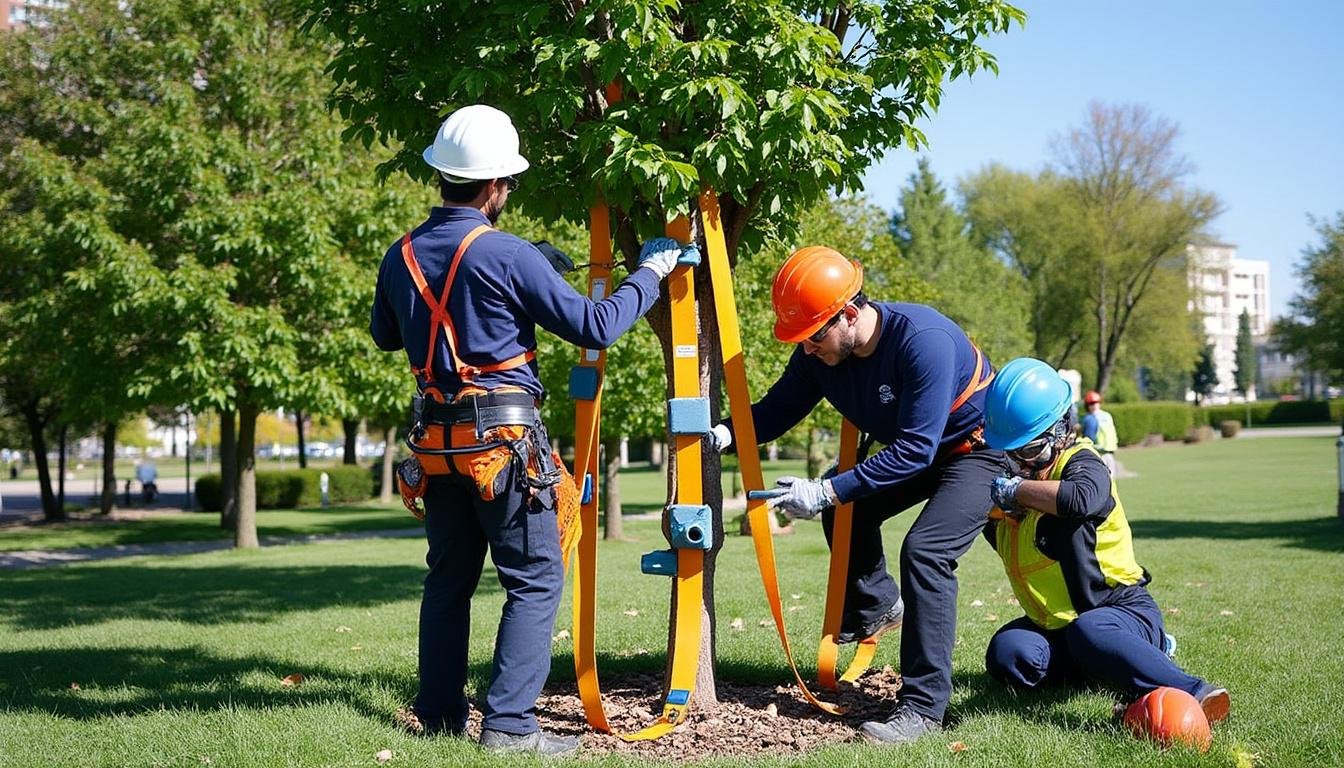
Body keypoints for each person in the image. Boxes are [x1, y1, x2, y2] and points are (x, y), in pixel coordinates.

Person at [369, 104, 683, 755]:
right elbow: (595, 326)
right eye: (508, 183)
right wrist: (648, 274)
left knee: (449, 579)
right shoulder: (506, 252)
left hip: (438, 445)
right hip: (504, 445)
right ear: (493, 186)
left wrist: (509, 281)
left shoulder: (399, 256)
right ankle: (511, 728)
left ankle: (441, 715)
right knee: (536, 577)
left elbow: (387, 335)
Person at [707, 246, 1004, 744]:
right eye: (799, 339)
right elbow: (776, 410)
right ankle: (879, 608)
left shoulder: (922, 341)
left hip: (976, 452)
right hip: (923, 449)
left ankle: (923, 711)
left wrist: (826, 489)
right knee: (848, 510)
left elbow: (912, 451)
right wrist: (721, 435)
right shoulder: (821, 352)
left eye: (813, 336)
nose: (806, 349)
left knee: (925, 551)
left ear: (849, 313)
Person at [981, 359, 1229, 724]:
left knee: (1091, 630)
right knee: (1008, 652)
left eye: (1030, 451)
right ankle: (1105, 667)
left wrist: (1018, 491)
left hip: (1120, 610)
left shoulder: (1082, 461)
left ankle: (1195, 691)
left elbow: (1080, 498)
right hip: (1059, 627)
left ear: (1060, 430)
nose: (1020, 464)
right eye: (1010, 454)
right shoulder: (1014, 491)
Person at [1079, 389, 1118, 475]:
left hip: (1108, 453)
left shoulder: (1106, 416)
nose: (1094, 405)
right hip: (1097, 453)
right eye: (1091, 403)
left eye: (1096, 402)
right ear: (1087, 406)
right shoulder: (1090, 419)